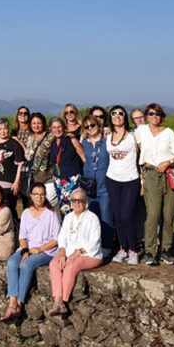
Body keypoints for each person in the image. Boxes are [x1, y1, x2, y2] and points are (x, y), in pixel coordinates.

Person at [134, 104, 174, 266]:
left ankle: (166, 250)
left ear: (162, 116)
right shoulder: (140, 131)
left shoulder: (169, 133)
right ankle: (149, 250)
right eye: (151, 113)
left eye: (158, 114)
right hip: (151, 175)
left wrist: (168, 162)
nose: (155, 116)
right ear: (147, 116)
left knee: (168, 214)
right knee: (153, 214)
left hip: (169, 175)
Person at [3, 183, 60, 320]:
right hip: (28, 248)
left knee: (28, 265)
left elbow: (57, 239)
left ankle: (19, 303)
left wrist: (39, 249)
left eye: (42, 194)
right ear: (31, 196)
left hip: (46, 250)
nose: (39, 197)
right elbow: (22, 236)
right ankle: (12, 301)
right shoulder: (26, 213)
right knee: (12, 262)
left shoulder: (51, 214)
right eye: (36, 194)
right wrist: (25, 251)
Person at [48, 188, 103, 316]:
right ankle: (57, 300)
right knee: (54, 264)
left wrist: (79, 252)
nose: (77, 203)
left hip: (89, 254)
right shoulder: (68, 217)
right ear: (71, 203)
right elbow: (62, 237)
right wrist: (61, 252)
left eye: (80, 200)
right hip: (69, 252)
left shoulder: (92, 218)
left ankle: (63, 301)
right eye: (74, 200)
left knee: (70, 266)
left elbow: (95, 241)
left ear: (85, 203)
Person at [104, 106, 141, 265]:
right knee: (118, 215)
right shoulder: (107, 134)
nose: (117, 116)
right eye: (114, 113)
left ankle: (133, 249)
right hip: (112, 179)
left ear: (125, 117)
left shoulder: (134, 135)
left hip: (131, 179)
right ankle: (122, 248)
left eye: (120, 113)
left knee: (126, 215)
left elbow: (144, 151)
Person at [79, 114, 113, 256]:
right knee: (91, 218)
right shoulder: (84, 143)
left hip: (104, 185)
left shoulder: (107, 140)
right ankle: (93, 246)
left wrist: (109, 129)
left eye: (92, 125)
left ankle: (107, 247)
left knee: (106, 217)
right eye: (87, 127)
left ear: (98, 125)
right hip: (89, 186)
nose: (90, 128)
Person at [49, 117, 85, 215]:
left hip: (73, 179)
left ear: (64, 127)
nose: (57, 130)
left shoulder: (72, 140)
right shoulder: (52, 143)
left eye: (59, 127)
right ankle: (66, 227)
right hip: (59, 180)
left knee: (75, 206)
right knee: (63, 208)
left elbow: (84, 158)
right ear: (51, 129)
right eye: (54, 128)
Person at [24, 113, 57, 209]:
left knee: (48, 205)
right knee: (37, 206)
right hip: (34, 179)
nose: (36, 126)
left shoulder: (51, 137)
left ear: (43, 124)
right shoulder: (30, 138)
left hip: (49, 177)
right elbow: (28, 156)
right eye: (34, 123)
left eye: (39, 123)